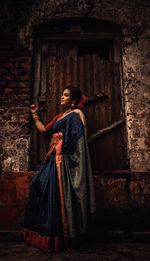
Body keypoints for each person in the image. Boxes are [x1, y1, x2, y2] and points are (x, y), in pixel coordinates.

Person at [24, 86, 96, 252]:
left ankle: (65, 239)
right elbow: (43, 130)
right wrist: (34, 113)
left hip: (64, 159)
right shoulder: (59, 117)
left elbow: (78, 143)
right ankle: (46, 235)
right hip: (52, 158)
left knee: (59, 196)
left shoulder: (77, 115)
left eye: (66, 95)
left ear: (73, 100)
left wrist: (62, 140)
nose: (61, 97)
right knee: (38, 184)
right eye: (62, 94)